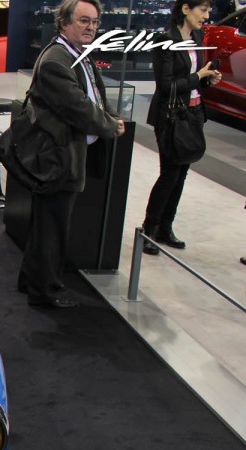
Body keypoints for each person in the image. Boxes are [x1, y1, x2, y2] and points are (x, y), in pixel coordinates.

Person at [17, 0, 125, 309]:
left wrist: (110, 116)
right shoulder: (56, 59)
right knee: (52, 227)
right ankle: (46, 290)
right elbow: (78, 107)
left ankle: (30, 281)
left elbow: (95, 97)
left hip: (66, 154)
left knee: (47, 224)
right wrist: (109, 126)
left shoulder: (79, 56)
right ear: (64, 23)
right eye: (83, 21)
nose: (91, 27)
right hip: (57, 157)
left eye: (94, 21)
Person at [140, 0, 221, 255]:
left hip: (193, 113)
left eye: (208, 11)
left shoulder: (197, 36)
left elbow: (196, 77)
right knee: (170, 174)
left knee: (181, 174)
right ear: (186, 9)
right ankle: (148, 230)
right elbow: (166, 85)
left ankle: (165, 228)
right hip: (171, 116)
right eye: (202, 10)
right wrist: (199, 77)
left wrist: (207, 80)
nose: (206, 16)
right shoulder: (164, 40)